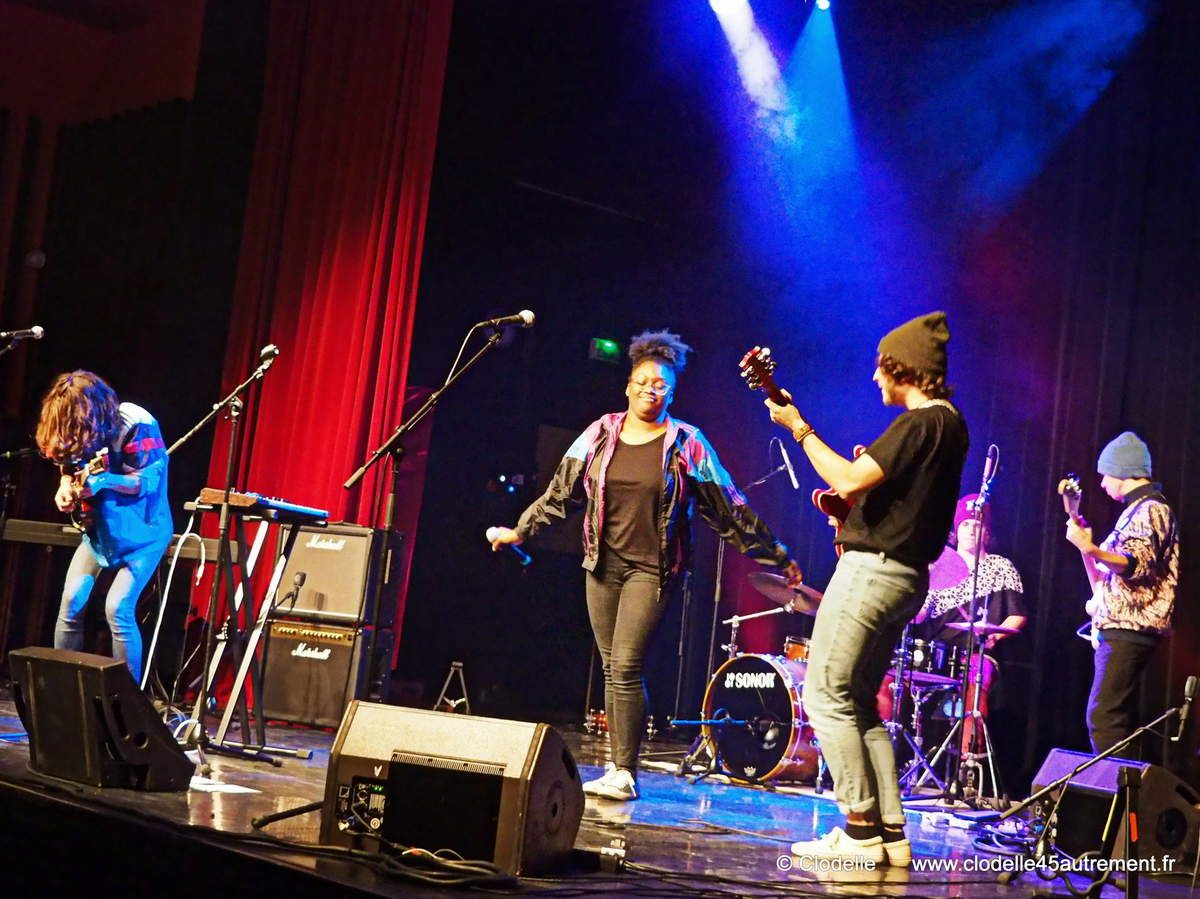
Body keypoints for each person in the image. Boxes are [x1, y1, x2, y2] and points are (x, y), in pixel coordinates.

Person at [488, 329, 802, 801]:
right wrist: (519, 530)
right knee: (611, 667)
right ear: (628, 386)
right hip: (601, 565)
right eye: (643, 382)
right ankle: (618, 769)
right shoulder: (600, 432)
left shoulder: (687, 442)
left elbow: (728, 508)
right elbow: (561, 492)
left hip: (652, 570)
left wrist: (775, 554)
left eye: (661, 386)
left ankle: (624, 771)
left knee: (627, 663)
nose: (651, 390)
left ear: (671, 394)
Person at [765, 311, 968, 867]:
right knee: (858, 702)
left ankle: (858, 832)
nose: (876, 377)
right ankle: (890, 833)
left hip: (874, 573)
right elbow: (891, 499)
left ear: (905, 368)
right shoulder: (950, 426)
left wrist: (799, 428)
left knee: (824, 694)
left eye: (882, 367)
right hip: (905, 576)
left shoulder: (921, 422)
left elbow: (847, 479)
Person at [35, 371, 172, 680]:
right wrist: (65, 487)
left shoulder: (135, 423)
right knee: (71, 602)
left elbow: (148, 481)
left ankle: (128, 700)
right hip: (101, 534)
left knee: (118, 608)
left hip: (144, 533)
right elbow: (68, 466)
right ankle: (63, 689)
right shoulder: (79, 434)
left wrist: (106, 481)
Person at [1064, 431, 1179, 755]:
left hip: (1131, 627)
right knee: (1108, 716)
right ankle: (1123, 786)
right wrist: (1087, 549)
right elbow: (1106, 583)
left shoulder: (1151, 509)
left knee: (1104, 717)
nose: (1102, 483)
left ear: (1122, 471)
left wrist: (1092, 548)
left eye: (1105, 475)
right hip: (1119, 624)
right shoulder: (1135, 511)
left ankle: (1120, 788)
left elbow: (1135, 564)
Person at [904, 495, 1025, 757]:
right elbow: (921, 615)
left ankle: (969, 760)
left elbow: (1017, 616)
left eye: (977, 524)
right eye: (965, 524)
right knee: (889, 679)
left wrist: (993, 637)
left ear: (987, 533)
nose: (971, 529)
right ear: (955, 531)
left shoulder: (1001, 567)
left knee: (975, 681)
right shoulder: (937, 567)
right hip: (935, 654)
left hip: (979, 653)